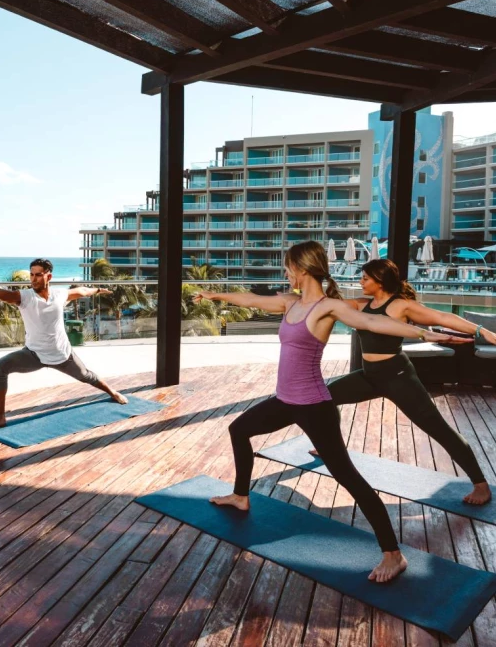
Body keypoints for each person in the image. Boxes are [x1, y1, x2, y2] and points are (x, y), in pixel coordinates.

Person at [194, 241, 469, 583]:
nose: (286, 273)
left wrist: (426, 333)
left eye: (288, 267)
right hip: (285, 401)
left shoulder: (329, 308)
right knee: (239, 430)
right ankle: (240, 496)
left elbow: (375, 324)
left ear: (303, 270)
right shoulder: (289, 302)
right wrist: (212, 295)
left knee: (348, 477)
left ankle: (393, 555)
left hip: (314, 406)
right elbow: (250, 300)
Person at [318, 258, 493, 505]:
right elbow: (326, 304)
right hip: (370, 376)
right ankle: (331, 445)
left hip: (398, 377)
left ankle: (480, 485)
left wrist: (481, 331)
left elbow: (442, 317)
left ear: (379, 281)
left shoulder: (400, 306)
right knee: (325, 396)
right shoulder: (362, 304)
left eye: (365, 278)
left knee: (438, 429)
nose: (361, 281)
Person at [0, 258, 127, 432]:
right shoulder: (24, 297)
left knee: (87, 376)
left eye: (38, 275)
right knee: (0, 367)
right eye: (31, 274)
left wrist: (98, 290)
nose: (33, 279)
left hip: (62, 354)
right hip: (34, 355)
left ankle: (112, 392)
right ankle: (0, 417)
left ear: (49, 276)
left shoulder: (60, 294)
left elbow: (82, 291)